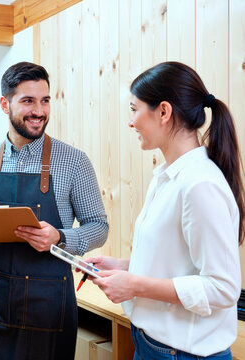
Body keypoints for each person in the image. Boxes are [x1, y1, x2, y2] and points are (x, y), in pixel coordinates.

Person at [85, 61, 243, 359]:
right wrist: (125, 266)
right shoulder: (167, 176)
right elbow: (176, 258)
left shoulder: (199, 185)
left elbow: (223, 288)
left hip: (182, 354)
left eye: (134, 109)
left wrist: (134, 285)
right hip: (152, 344)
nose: (131, 122)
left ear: (163, 112)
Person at [0, 62, 109, 360]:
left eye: (45, 100)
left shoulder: (74, 161)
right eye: (28, 101)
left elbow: (99, 226)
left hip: (48, 306)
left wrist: (60, 237)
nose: (39, 111)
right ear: (5, 104)